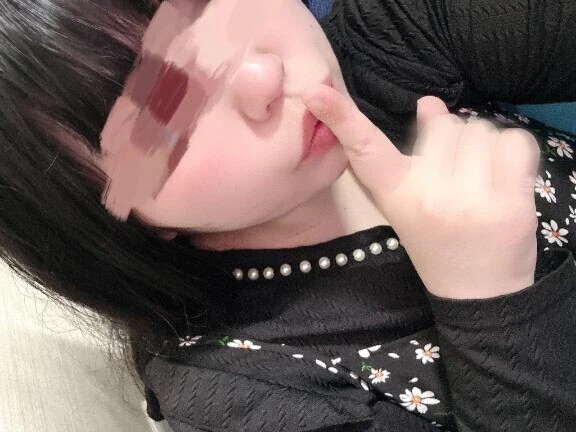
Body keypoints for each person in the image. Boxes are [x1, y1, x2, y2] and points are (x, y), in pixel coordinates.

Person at [0, 0, 574, 431]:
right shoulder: (241, 391)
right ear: (112, 223)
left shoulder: (383, 43)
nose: (263, 76)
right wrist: (493, 305)